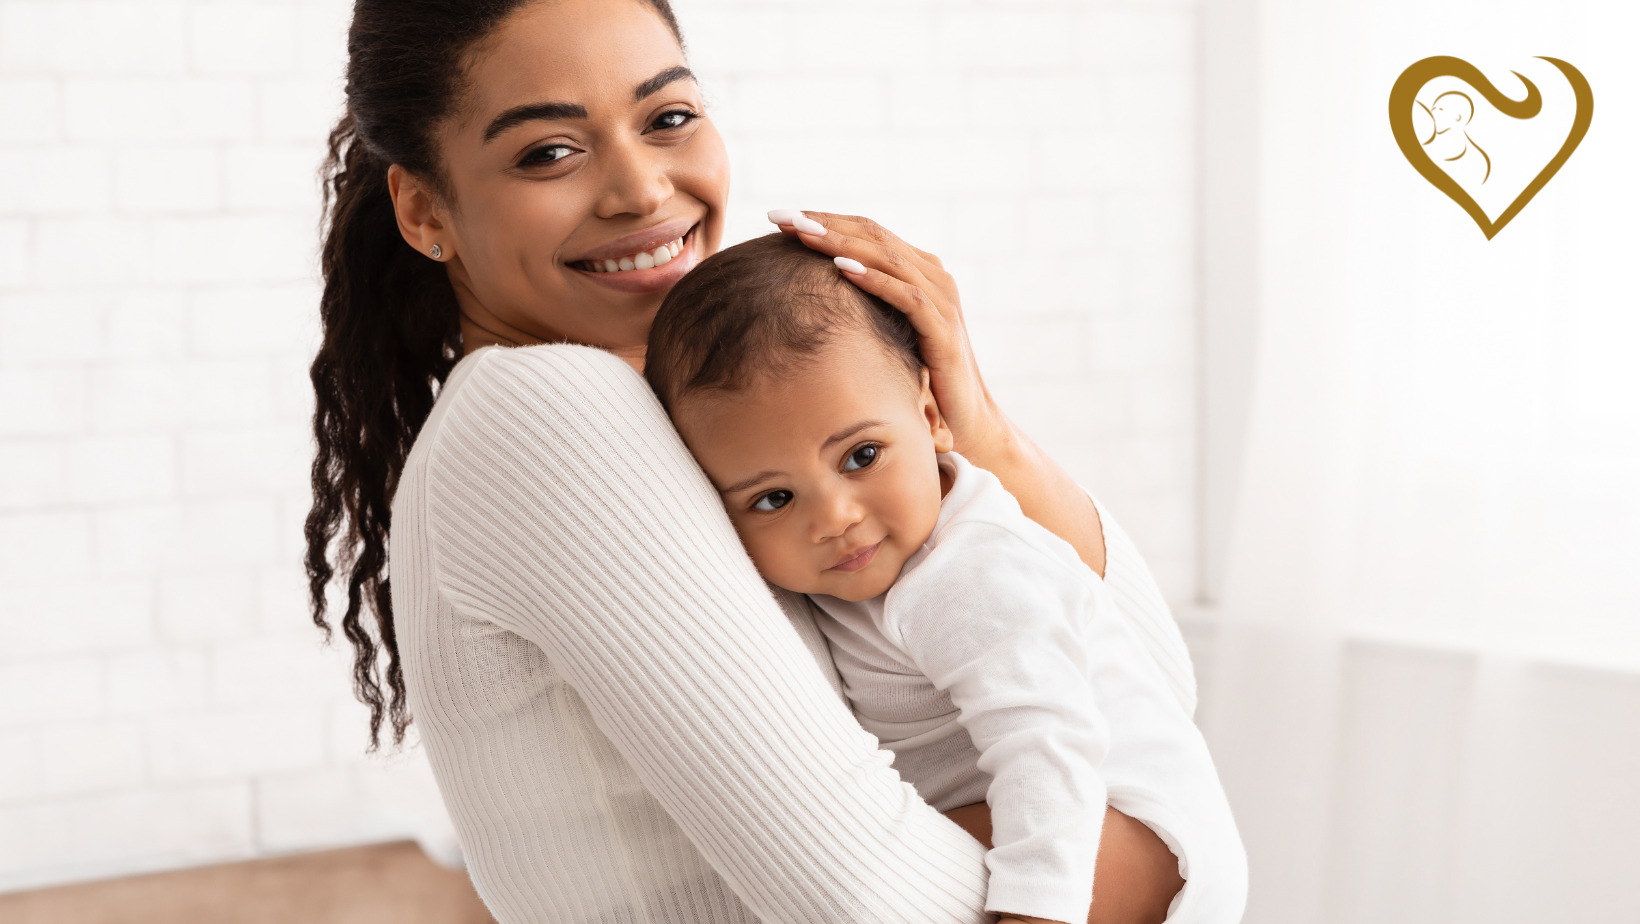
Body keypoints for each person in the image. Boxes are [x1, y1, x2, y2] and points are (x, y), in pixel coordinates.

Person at [304, 0, 1202, 921]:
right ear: (422, 209)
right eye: (549, 152)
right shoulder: (546, 413)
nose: (643, 191)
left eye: (669, 118)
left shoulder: (707, 422)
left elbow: (1149, 699)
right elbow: (873, 903)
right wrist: (1150, 848)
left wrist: (976, 430)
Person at [643, 234, 1247, 924]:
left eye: (861, 456)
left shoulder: (972, 570)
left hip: (1127, 826)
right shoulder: (852, 572)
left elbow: (1046, 743)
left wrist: (1038, 913)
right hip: (1025, 808)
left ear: (931, 419)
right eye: (773, 499)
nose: (834, 518)